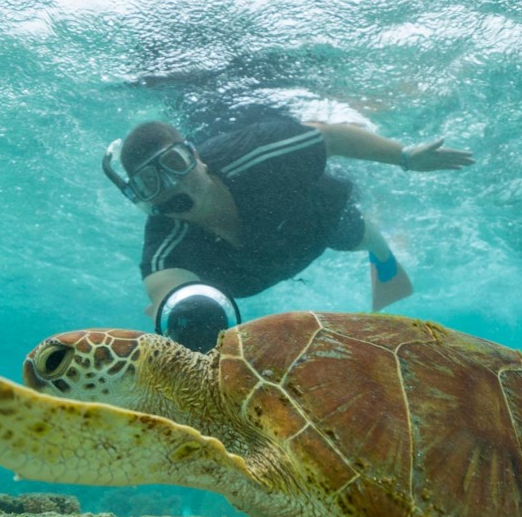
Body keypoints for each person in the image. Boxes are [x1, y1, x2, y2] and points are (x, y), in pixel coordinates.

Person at [101, 117, 473, 347]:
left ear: (196, 156)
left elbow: (328, 138)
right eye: (151, 181)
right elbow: (165, 287)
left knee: (355, 236)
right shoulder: (167, 247)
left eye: (175, 163)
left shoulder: (257, 154)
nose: (173, 185)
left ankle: (379, 243)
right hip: (252, 268)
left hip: (313, 220)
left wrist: (404, 157)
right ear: (142, 197)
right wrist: (178, 315)